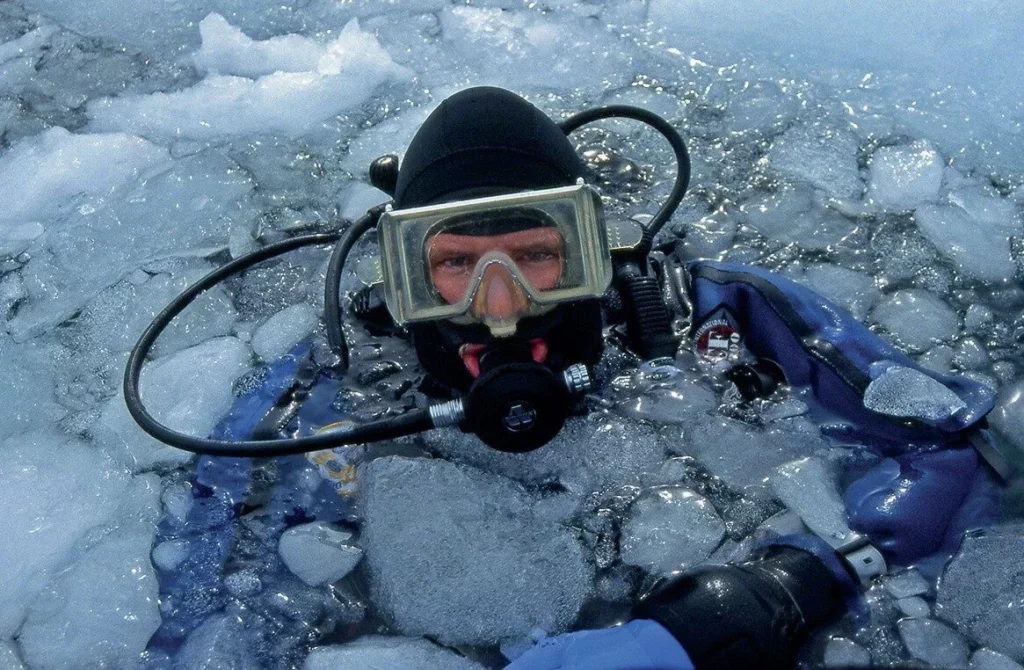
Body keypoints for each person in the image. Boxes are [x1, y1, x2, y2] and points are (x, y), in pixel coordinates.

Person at [128, 87, 1008, 669]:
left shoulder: (718, 316)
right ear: (398, 273)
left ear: (600, 248)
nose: (497, 304)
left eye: (541, 257)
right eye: (455, 267)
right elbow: (221, 587)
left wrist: (793, 584)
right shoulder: (354, 375)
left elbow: (963, 448)